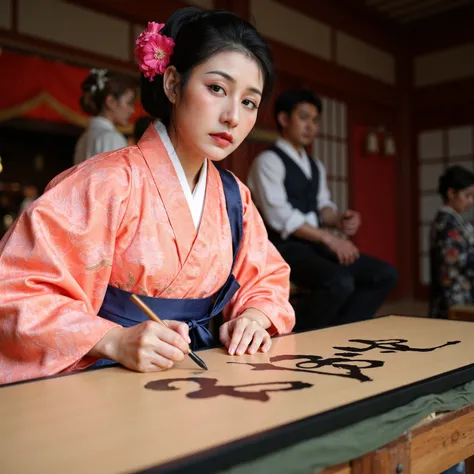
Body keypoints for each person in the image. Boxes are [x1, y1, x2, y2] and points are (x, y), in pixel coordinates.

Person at [0, 7, 294, 385]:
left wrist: (255, 316)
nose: (232, 116)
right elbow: (16, 289)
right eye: (217, 88)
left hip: (203, 371)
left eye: (249, 102)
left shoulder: (234, 196)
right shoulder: (104, 182)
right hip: (107, 373)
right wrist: (114, 340)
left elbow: (266, 277)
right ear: (172, 84)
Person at [248, 88, 397, 331]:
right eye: (304, 117)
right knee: (339, 282)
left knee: (385, 274)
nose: (311, 126)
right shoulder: (268, 162)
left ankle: (341, 331)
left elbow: (323, 206)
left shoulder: (315, 165)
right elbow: (280, 217)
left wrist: (339, 219)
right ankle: (301, 335)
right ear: (284, 119)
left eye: (315, 120)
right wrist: (331, 239)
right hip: (282, 247)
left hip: (315, 245)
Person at [430, 165, 474, 319]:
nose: (471, 201)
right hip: (453, 294)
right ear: (451, 193)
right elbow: (455, 260)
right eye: (467, 196)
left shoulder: (456, 220)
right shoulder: (446, 223)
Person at [73, 69, 137, 165]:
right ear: (111, 102)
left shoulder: (84, 137)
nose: (132, 110)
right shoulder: (112, 138)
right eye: (129, 103)